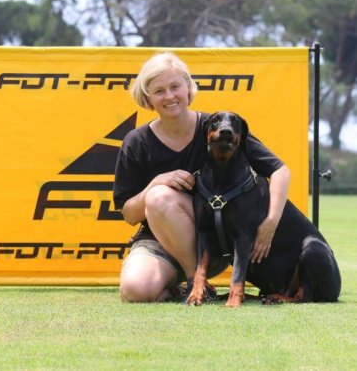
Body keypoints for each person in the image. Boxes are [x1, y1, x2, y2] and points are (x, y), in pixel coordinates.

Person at [113, 52, 290, 302]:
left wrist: (270, 223)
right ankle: (183, 286)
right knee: (136, 291)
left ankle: (198, 282)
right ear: (148, 98)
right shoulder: (136, 142)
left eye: (175, 86)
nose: (170, 96)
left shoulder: (218, 126)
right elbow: (130, 215)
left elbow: (279, 169)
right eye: (159, 91)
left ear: (188, 88)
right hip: (157, 244)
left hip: (210, 244)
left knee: (160, 198)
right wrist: (156, 182)